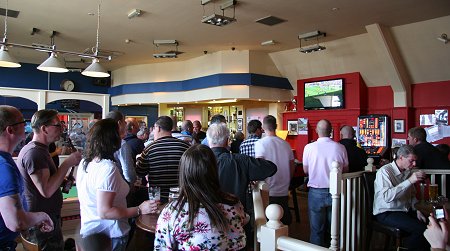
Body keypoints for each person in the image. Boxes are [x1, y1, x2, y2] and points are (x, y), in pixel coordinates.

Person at [77, 119, 157, 251]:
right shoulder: (107, 168)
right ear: (111, 139)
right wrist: (140, 209)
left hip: (92, 234)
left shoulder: (85, 162)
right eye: (119, 133)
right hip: (109, 235)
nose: (123, 137)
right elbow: (105, 212)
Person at [154, 144, 247, 250]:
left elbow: (161, 247)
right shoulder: (233, 203)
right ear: (214, 170)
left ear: (184, 173)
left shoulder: (172, 212)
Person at [17, 109, 82, 250]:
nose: (62, 128)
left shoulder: (40, 150)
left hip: (47, 216)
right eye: (58, 125)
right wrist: (67, 163)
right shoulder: (35, 153)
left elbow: (46, 182)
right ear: (44, 128)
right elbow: (46, 190)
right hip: (42, 221)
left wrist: (62, 180)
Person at [0, 105, 54, 250]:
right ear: (10, 130)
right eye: (22, 123)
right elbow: (16, 222)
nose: (26, 126)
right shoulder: (4, 167)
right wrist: (42, 216)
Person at [373, 145, 429, 251]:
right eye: (411, 160)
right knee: (421, 230)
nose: (415, 164)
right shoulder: (385, 171)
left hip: (403, 211)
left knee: (430, 224)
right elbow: (387, 197)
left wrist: (417, 210)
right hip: (386, 212)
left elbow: (411, 195)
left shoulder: (407, 172)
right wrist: (410, 181)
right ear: (401, 157)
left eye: (415, 161)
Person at [302, 119, 349, 247]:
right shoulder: (340, 147)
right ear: (331, 131)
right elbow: (345, 170)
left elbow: (305, 170)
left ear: (316, 131)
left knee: (316, 230)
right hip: (336, 191)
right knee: (334, 228)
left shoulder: (309, 147)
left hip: (316, 192)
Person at [136, 116, 190, 202]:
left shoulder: (149, 148)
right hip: (180, 197)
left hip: (156, 198)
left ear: (158, 128)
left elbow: (140, 172)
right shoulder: (186, 147)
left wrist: (138, 160)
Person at [255, 115, 295, 226]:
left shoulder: (260, 143)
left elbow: (259, 165)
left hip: (268, 188)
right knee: (284, 218)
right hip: (283, 187)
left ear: (263, 127)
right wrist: (288, 179)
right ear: (276, 126)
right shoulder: (286, 144)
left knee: (269, 221)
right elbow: (292, 165)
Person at [105, 111, 136, 185]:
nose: (126, 124)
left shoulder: (99, 141)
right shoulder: (121, 144)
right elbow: (129, 175)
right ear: (119, 123)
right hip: (118, 187)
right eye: (124, 122)